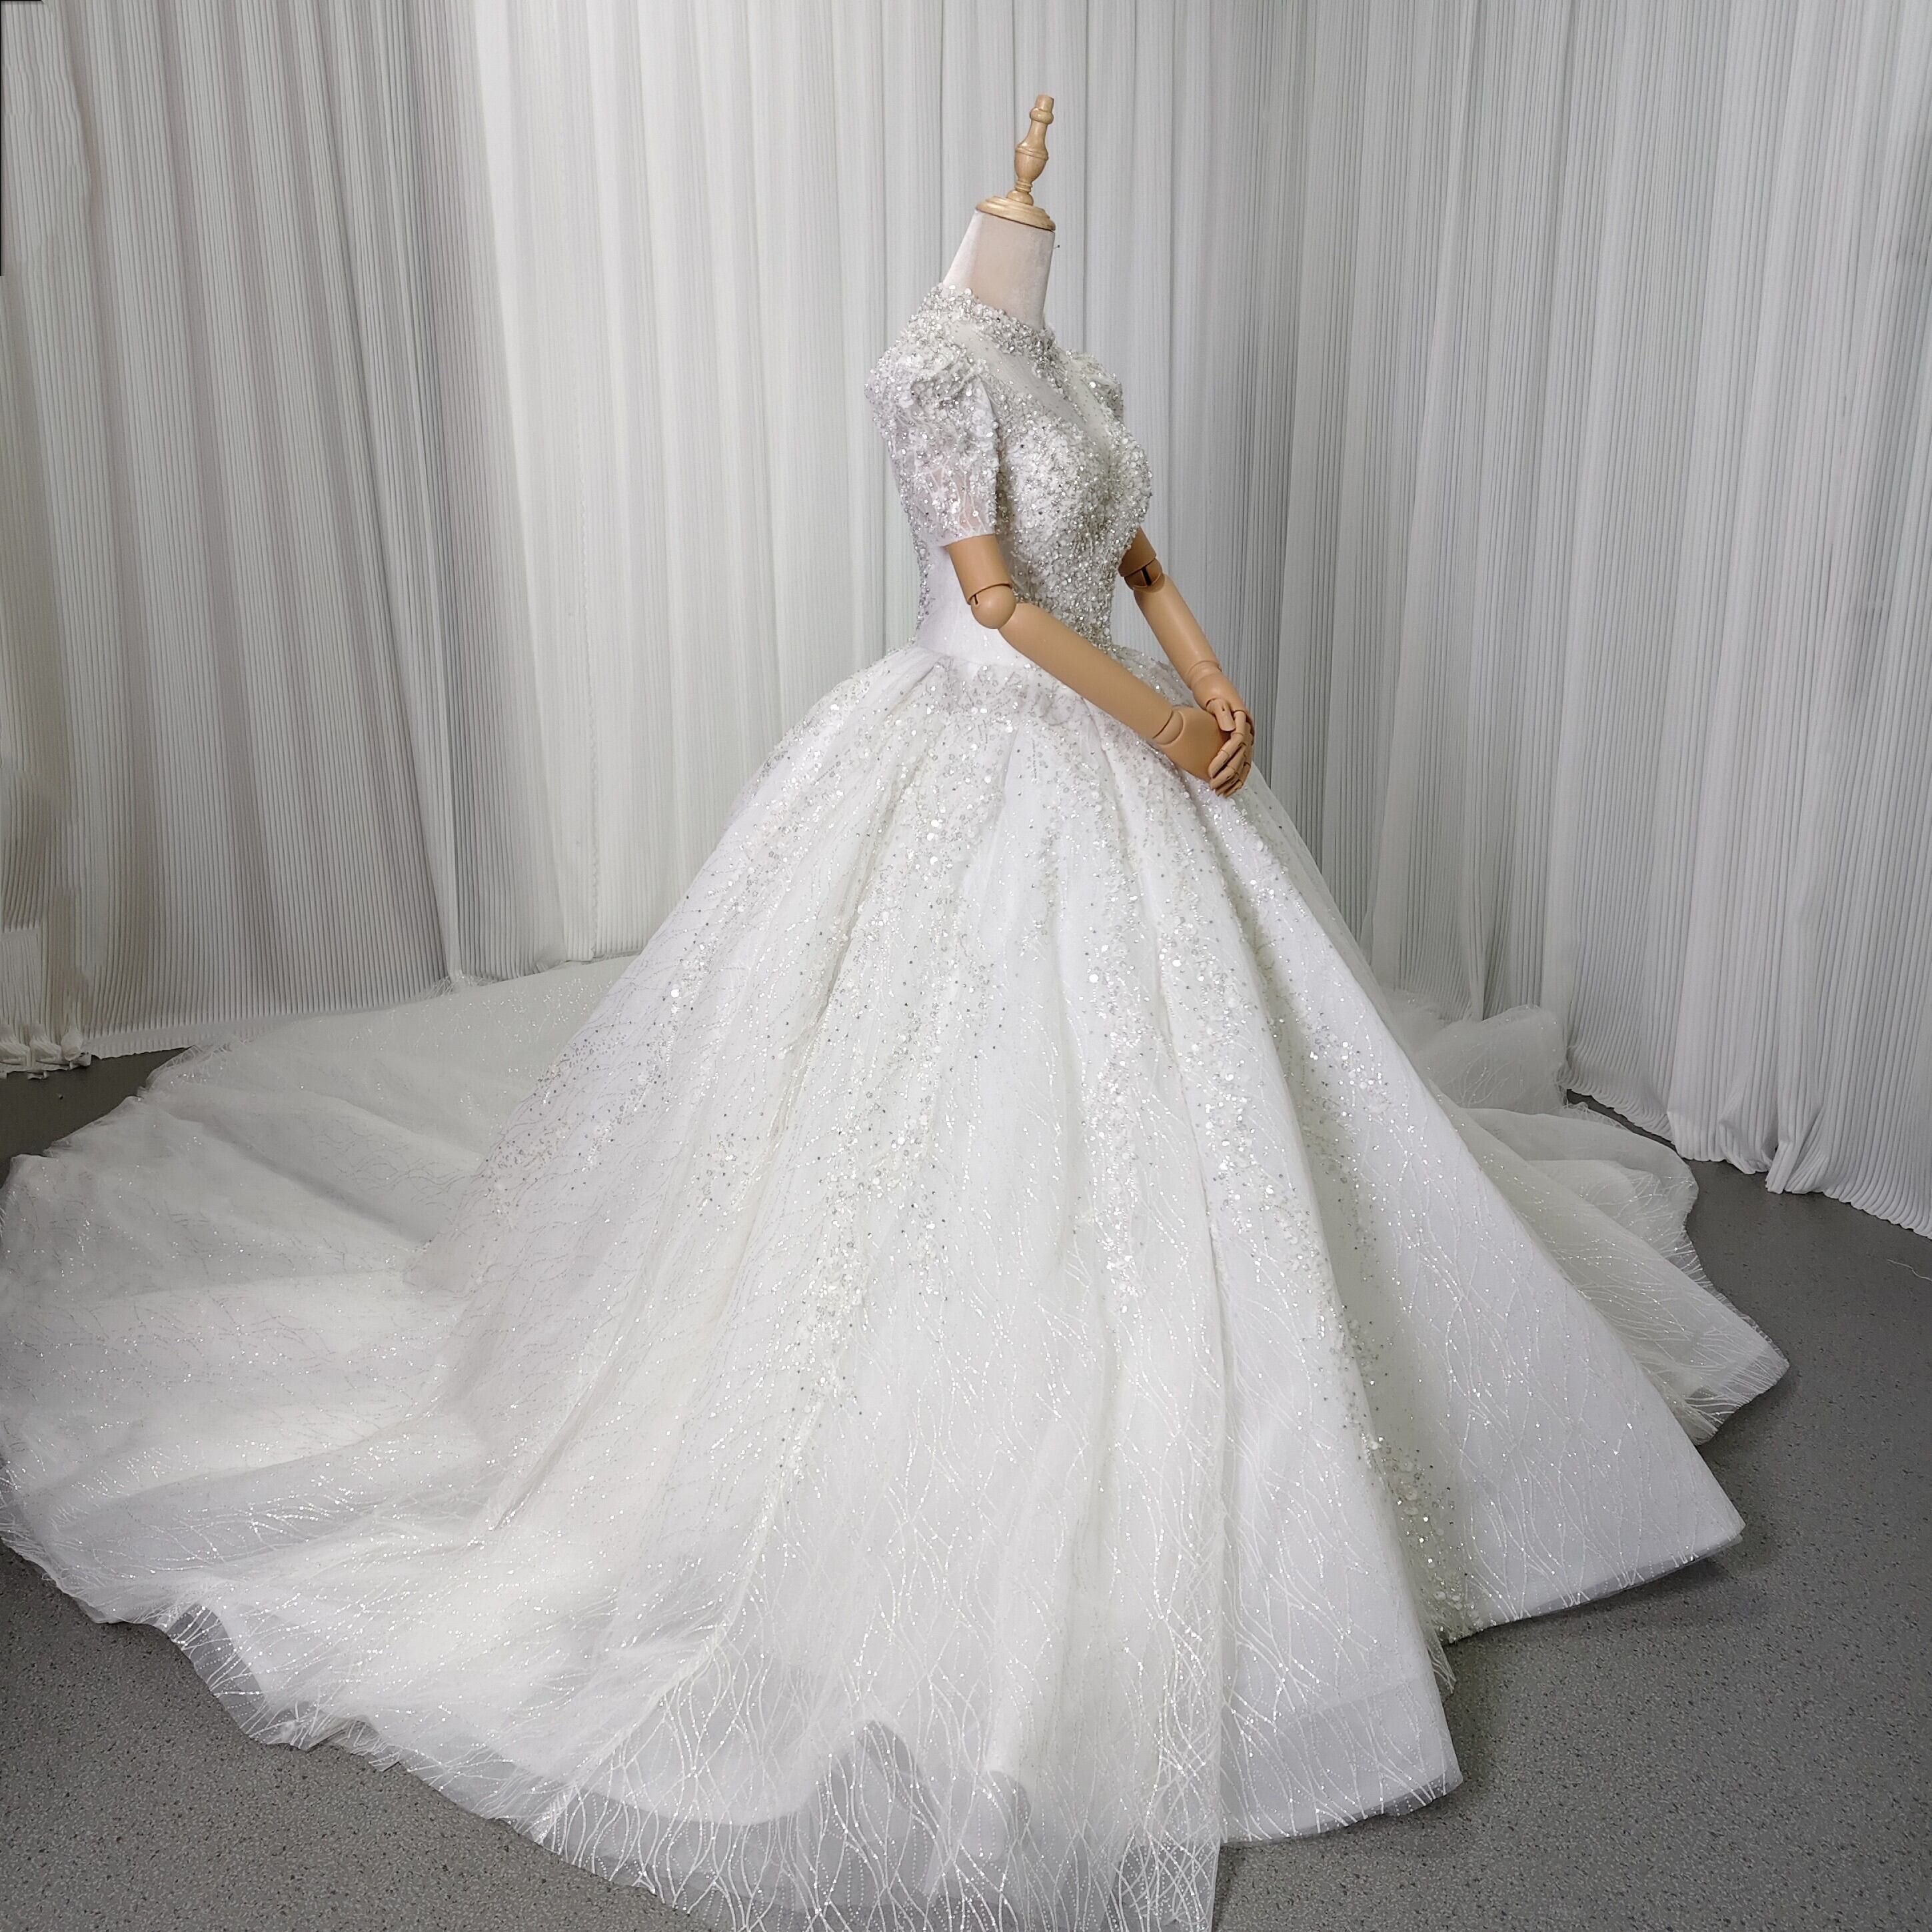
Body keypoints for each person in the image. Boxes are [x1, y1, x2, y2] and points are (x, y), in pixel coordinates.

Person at [0, 99, 1783, 1932]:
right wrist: (1160, 723)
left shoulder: (1067, 365)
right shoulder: (932, 364)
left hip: (1130, 745)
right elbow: (996, 604)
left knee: (1221, 1104)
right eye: (1021, 229)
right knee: (937, 1122)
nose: (1035, 234)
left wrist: (1209, 680)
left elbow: (1131, 556)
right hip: (986, 749)